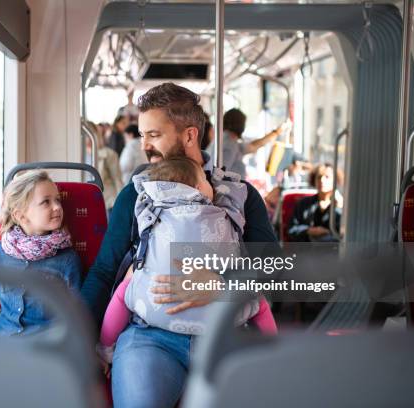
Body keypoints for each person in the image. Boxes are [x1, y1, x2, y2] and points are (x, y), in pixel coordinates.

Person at [81, 82, 278, 408]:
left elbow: (273, 267)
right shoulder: (136, 194)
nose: (144, 146)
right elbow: (105, 271)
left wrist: (223, 285)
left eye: (154, 135)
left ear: (189, 136)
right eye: (142, 135)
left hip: (225, 336)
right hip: (151, 337)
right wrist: (78, 338)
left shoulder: (240, 194)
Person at [98, 157, 276, 364]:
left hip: (158, 308)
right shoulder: (225, 211)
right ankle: (273, 349)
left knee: (124, 292)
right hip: (221, 317)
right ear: (199, 186)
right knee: (258, 302)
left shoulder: (150, 208)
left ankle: (105, 348)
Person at [0, 170, 82, 336]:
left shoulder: (67, 259)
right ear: (20, 215)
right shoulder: (1, 253)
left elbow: (76, 311)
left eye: (57, 200)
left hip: (47, 346)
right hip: (6, 343)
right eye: (46, 202)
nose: (57, 207)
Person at [208, 108, 289, 178]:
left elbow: (253, 145)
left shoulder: (225, 140)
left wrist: (276, 132)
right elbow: (218, 175)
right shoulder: (229, 144)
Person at [288, 163, 342, 242]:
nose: (322, 180)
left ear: (335, 181)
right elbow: (292, 229)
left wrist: (339, 208)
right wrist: (309, 230)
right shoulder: (303, 203)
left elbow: (343, 233)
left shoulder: (341, 205)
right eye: (319, 177)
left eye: (327, 177)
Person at [86, 122, 124, 213]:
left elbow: (117, 180)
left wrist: (121, 204)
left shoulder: (109, 154)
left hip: (108, 203)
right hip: (87, 202)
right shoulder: (78, 155)